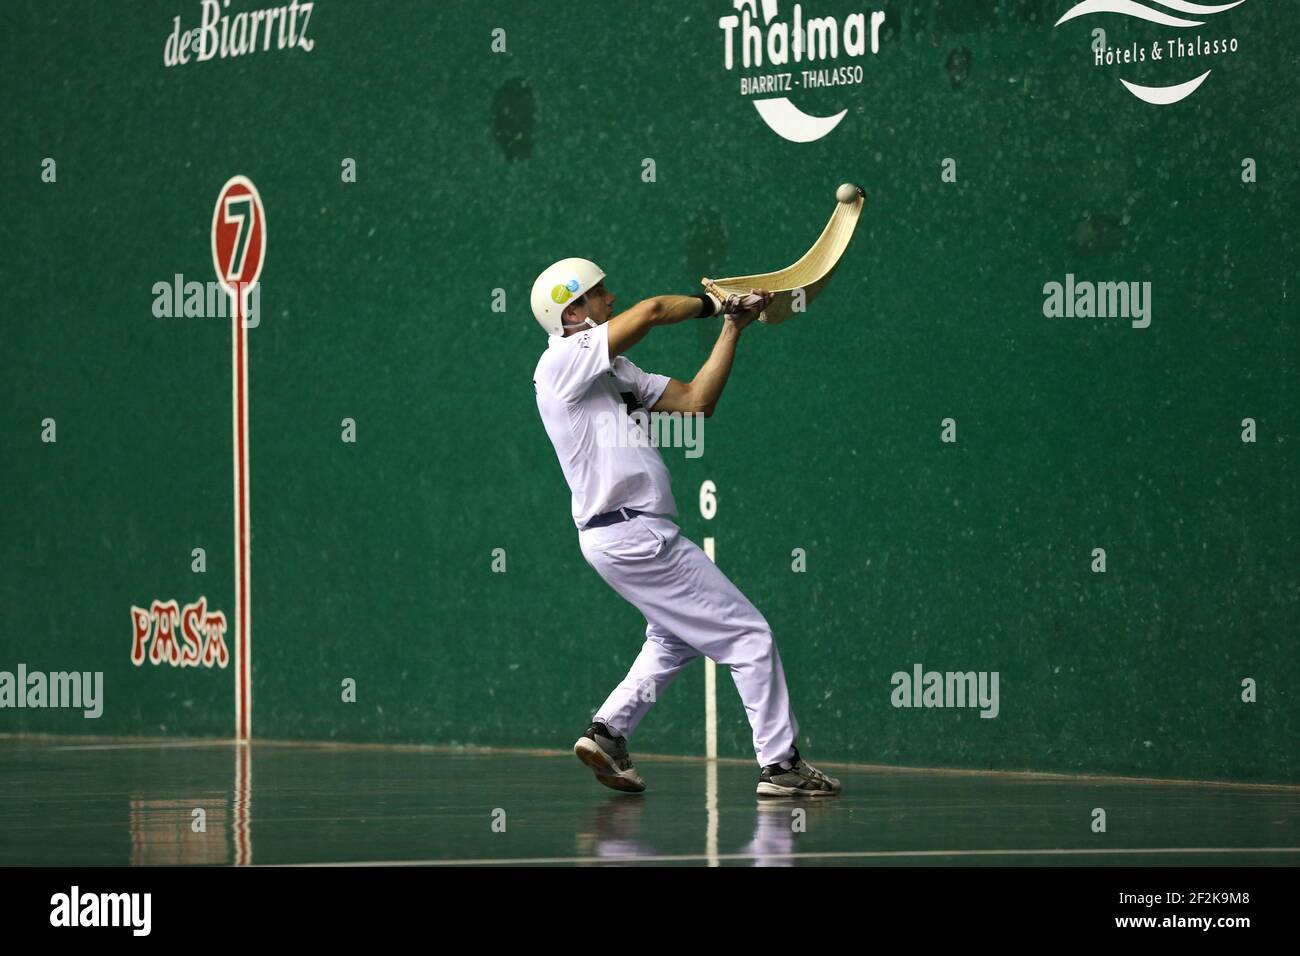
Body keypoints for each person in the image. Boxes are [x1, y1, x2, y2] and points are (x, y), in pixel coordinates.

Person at [530, 257, 841, 798]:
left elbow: (698, 402)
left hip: (619, 537)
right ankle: (781, 766)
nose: (612, 299)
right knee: (748, 637)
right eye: (600, 294)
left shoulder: (615, 371)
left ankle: (609, 733)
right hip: (634, 534)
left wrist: (731, 327)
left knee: (673, 640)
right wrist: (716, 301)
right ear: (572, 311)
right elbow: (651, 310)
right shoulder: (560, 363)